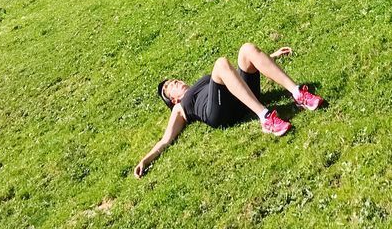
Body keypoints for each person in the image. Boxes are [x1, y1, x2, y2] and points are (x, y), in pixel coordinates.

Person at [134, 42, 322, 177]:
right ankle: (265, 118)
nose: (174, 82)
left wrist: (269, 57)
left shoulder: (203, 83)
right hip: (219, 113)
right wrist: (145, 160)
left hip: (240, 99)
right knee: (221, 63)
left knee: (247, 49)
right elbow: (165, 140)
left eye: (173, 80)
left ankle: (298, 94)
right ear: (173, 100)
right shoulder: (179, 108)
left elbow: (233, 78)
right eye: (170, 86)